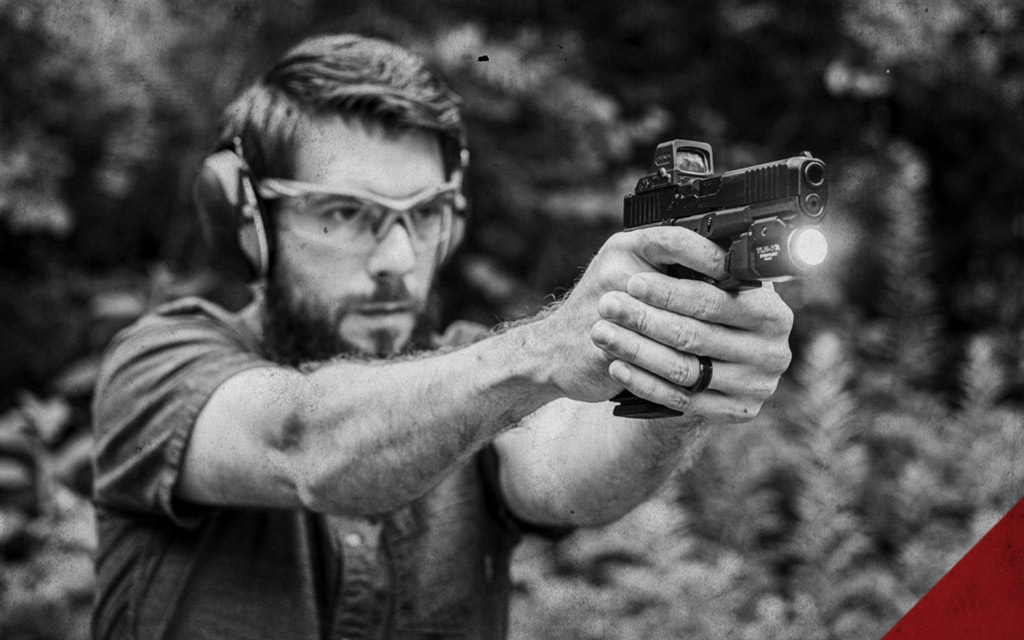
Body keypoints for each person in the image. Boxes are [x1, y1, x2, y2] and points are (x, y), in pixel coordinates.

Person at [90, 33, 793, 640]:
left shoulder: (485, 389)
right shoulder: (158, 364)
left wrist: (679, 364)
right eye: (344, 212)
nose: (398, 258)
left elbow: (574, 477)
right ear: (248, 223)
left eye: (424, 214)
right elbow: (299, 441)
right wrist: (542, 350)